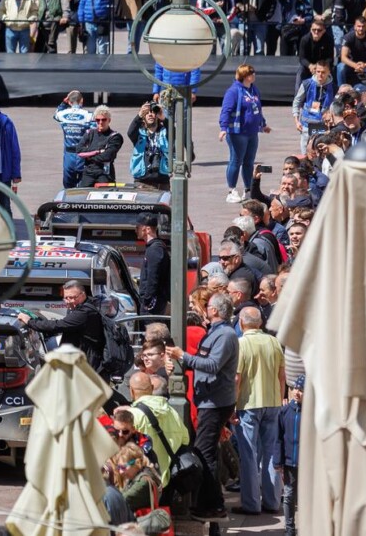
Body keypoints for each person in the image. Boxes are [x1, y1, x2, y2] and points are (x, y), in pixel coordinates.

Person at [166, 292, 239, 520]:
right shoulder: (216, 332)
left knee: (204, 453)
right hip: (210, 400)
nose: (205, 309)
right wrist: (182, 364)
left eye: (208, 306)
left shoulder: (225, 335)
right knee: (206, 452)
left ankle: (214, 506)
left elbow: (213, 365)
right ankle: (210, 504)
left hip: (215, 403)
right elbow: (204, 362)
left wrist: (183, 356)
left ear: (214, 310)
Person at [234, 305, 285, 516]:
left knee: (249, 454)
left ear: (241, 323)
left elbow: (237, 378)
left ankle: (251, 503)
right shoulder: (274, 342)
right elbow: (282, 375)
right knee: (271, 453)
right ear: (261, 323)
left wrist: (232, 405)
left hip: (248, 404)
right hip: (272, 403)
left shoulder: (241, 344)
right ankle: (272, 501)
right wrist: (280, 398)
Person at [16, 280, 105, 373]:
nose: (68, 301)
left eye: (72, 297)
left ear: (82, 295)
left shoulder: (84, 312)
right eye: (66, 298)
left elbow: (57, 325)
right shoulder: (78, 308)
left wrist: (29, 321)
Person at [219, 64, 270, 203]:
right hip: (238, 133)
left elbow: (257, 109)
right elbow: (226, 110)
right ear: (245, 76)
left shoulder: (254, 90)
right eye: (251, 73)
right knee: (236, 160)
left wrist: (263, 124)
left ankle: (248, 190)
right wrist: (223, 128)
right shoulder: (233, 91)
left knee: (249, 162)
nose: (254, 75)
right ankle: (232, 190)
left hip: (252, 132)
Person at [277, 376, 303, 536]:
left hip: (306, 463)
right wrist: (278, 461)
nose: (297, 392)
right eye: (296, 388)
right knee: (288, 495)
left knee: (304, 497)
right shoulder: (285, 411)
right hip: (289, 462)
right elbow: (278, 438)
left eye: (302, 390)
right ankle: (289, 529)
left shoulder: (312, 412)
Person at [54, 91, 94, 188]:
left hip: (69, 154)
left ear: (69, 101)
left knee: (68, 185)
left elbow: (56, 114)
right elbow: (95, 131)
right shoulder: (89, 115)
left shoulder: (62, 114)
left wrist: (63, 103)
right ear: (82, 101)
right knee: (84, 184)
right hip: (84, 154)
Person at [75, 105, 123, 187]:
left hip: (104, 173)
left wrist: (88, 156)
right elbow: (79, 149)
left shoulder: (115, 136)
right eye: (98, 120)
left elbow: (107, 156)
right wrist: (98, 151)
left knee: (105, 193)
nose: (100, 122)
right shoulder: (90, 133)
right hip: (89, 172)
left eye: (103, 120)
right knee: (82, 192)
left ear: (109, 120)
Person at [135, 212, 169, 315]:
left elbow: (153, 277)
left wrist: (147, 300)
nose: (136, 230)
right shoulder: (152, 247)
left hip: (153, 305)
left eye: (138, 227)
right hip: (152, 302)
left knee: (151, 325)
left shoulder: (155, 249)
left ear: (148, 229)